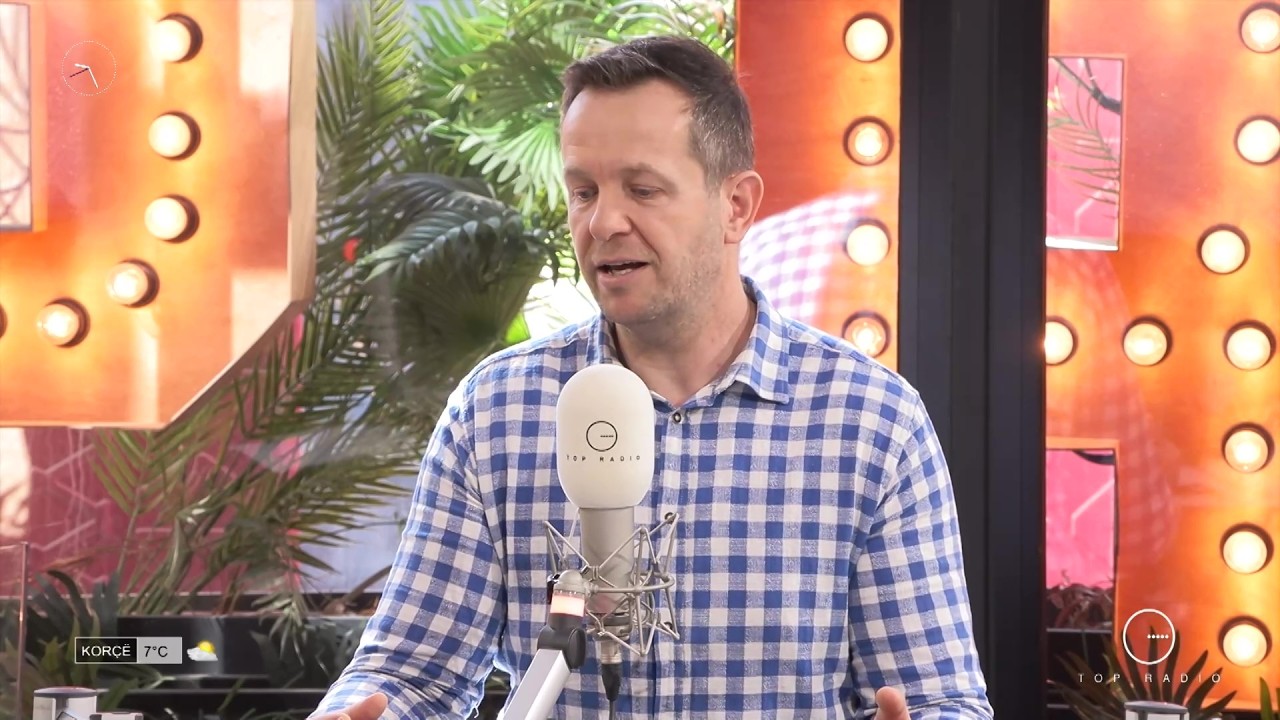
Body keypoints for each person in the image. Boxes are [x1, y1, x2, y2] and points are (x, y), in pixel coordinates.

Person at [310, 36, 993, 720]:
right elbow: (409, 675)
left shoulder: (873, 422)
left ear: (736, 205)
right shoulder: (494, 413)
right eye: (583, 191)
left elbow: (938, 697)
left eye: (642, 189)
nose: (603, 222)